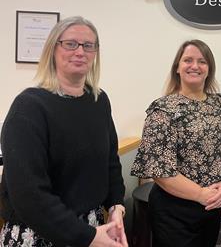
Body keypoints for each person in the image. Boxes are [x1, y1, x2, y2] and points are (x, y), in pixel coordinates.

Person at [0, 16, 127, 246]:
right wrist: (87, 237)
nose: (80, 51)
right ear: (53, 49)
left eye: (88, 45)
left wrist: (117, 207)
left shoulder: (98, 101)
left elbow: (110, 162)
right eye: (70, 44)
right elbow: (29, 195)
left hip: (92, 229)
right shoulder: (29, 107)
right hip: (40, 233)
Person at [131, 39, 221, 247]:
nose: (195, 66)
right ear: (177, 68)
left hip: (212, 207)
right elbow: (159, 170)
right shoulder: (163, 110)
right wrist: (201, 194)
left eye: (202, 61)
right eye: (188, 60)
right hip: (174, 212)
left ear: (209, 69)